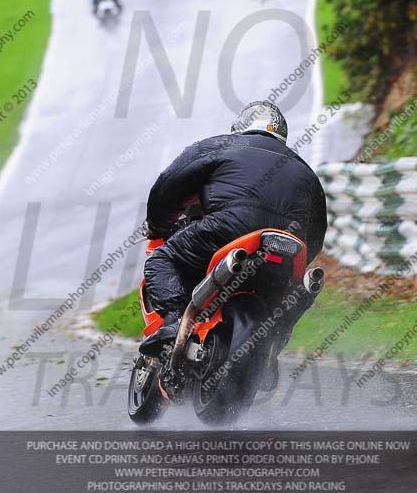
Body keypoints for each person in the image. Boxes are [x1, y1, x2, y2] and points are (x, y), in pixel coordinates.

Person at [139, 101, 328, 384]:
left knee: (162, 259)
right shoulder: (305, 170)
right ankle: (272, 343)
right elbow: (318, 232)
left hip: (229, 230)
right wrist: (299, 260)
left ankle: (173, 323)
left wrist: (158, 225)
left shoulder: (219, 146)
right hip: (289, 246)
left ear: (240, 127)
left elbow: (168, 186)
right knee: (293, 292)